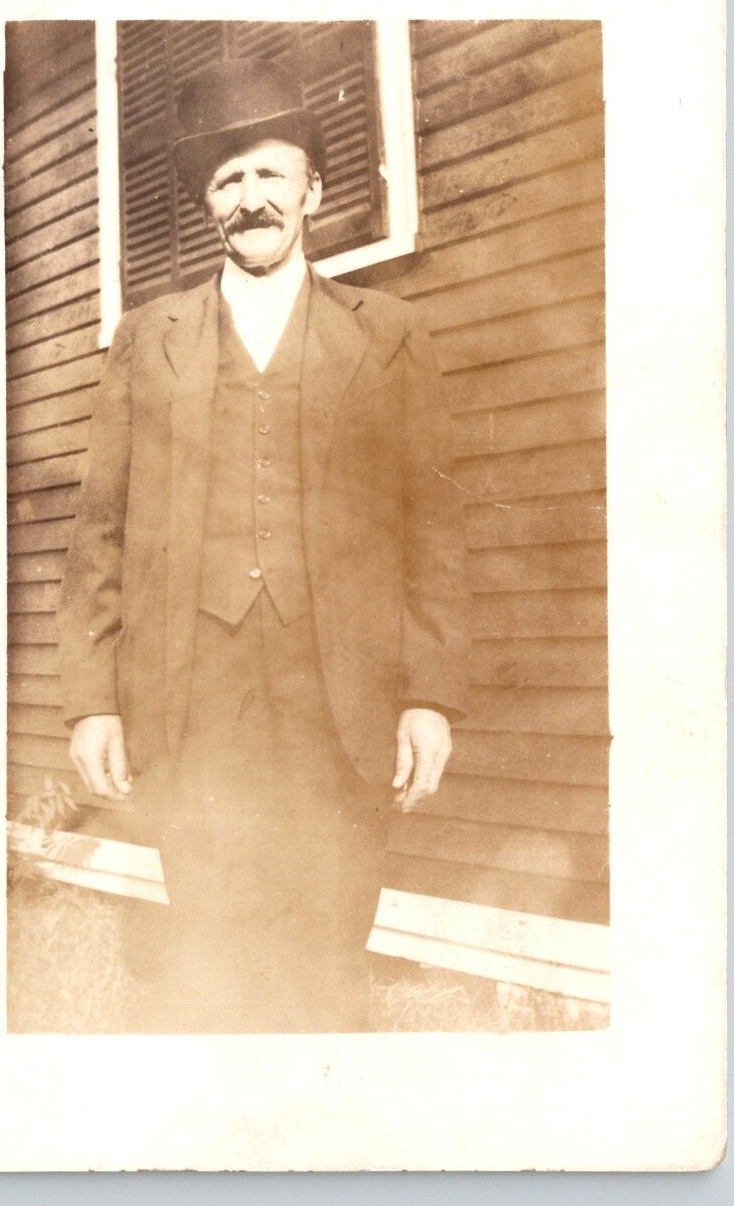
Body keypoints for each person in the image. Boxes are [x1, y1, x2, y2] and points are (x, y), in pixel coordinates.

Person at [57, 56, 469, 1033]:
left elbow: (433, 527)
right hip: (193, 697)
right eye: (228, 180)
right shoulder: (147, 340)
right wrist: (91, 701)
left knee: (327, 955)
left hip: (341, 696)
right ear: (208, 204)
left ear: (312, 192)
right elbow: (101, 528)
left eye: (271, 175)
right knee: (210, 956)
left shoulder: (388, 333)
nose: (251, 199)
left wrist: (429, 695)